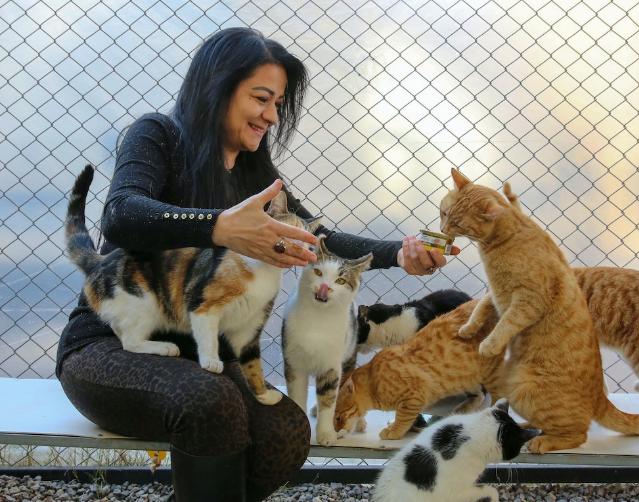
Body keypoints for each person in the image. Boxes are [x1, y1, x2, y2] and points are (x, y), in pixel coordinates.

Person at [56, 27, 458, 502]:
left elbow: (316, 237)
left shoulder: (252, 171)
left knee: (286, 429)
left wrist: (399, 253)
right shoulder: (157, 135)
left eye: (278, 103)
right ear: (219, 87)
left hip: (196, 360)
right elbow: (122, 212)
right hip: (108, 351)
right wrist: (218, 226)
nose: (272, 115)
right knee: (213, 403)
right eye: (261, 98)